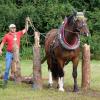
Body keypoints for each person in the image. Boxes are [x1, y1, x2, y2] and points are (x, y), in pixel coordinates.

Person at [0, 17, 30, 88]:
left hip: (16, 53)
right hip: (9, 53)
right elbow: (2, 43)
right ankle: (5, 82)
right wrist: (0, 49)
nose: (14, 29)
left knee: (17, 68)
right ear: (10, 29)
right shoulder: (7, 35)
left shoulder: (18, 33)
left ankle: (17, 81)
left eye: (14, 27)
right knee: (7, 68)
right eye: (12, 28)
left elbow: (26, 29)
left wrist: (27, 22)